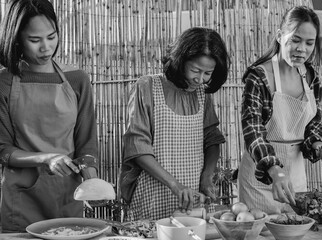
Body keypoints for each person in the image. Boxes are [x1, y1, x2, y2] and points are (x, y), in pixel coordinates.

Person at [0, 0, 98, 232]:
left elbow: (86, 145)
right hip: (21, 200)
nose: (46, 47)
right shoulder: (3, 83)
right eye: (35, 40)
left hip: (68, 194)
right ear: (16, 39)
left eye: (51, 36)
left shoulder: (77, 80)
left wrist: (92, 179)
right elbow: (3, 150)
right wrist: (47, 158)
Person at [120, 27, 230, 221]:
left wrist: (206, 177)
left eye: (208, 73)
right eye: (195, 70)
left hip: (192, 199)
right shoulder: (147, 87)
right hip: (152, 195)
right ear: (180, 61)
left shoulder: (202, 95)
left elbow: (212, 139)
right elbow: (138, 147)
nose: (200, 79)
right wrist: (175, 185)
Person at [238, 6, 322, 214]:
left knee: (296, 231)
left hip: (296, 179)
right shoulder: (260, 76)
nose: (302, 49)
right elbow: (252, 130)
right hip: (260, 178)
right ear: (281, 36)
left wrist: (316, 143)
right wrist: (274, 169)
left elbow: (313, 122)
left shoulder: (311, 77)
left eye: (309, 43)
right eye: (296, 40)